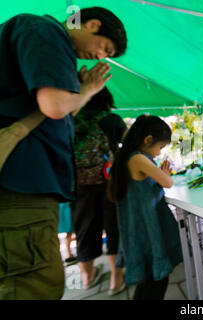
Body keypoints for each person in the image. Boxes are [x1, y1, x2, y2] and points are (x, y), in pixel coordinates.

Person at [0, 7, 127, 299]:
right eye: (105, 48)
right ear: (93, 24)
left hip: (23, 182)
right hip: (19, 184)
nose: (101, 57)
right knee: (33, 283)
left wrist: (81, 91)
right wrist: (90, 88)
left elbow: (53, 115)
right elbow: (55, 106)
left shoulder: (38, 38)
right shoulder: (46, 32)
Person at [107, 115, 183, 300]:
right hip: (148, 231)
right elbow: (167, 182)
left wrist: (162, 174)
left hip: (138, 230)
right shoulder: (138, 158)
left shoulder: (126, 157)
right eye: (160, 147)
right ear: (148, 140)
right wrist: (166, 174)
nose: (158, 153)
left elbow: (148, 184)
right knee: (156, 282)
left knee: (147, 281)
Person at [71, 86, 127, 295]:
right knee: (113, 229)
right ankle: (116, 279)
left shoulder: (71, 118)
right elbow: (131, 146)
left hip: (79, 185)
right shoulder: (112, 120)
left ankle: (88, 277)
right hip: (109, 183)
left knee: (84, 230)